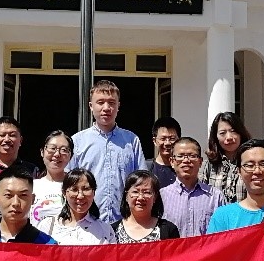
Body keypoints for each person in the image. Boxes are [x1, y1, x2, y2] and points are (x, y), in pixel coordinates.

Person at [69, 79, 145, 224]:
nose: (106, 108)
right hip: (87, 222)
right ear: (91, 106)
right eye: (100, 102)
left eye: (111, 103)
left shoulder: (131, 141)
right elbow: (69, 183)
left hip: (125, 222)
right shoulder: (77, 141)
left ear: (118, 106)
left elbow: (141, 182)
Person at [160, 136, 222, 237]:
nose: (186, 160)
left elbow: (224, 234)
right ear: (172, 161)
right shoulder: (161, 196)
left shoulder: (215, 197)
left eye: (192, 156)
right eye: (180, 156)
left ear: (200, 162)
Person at [38, 167, 115, 246]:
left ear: (94, 192)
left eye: (86, 189)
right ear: (64, 193)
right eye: (74, 189)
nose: (80, 196)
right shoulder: (48, 227)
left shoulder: (105, 230)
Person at [200, 111, 253, 204]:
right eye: (222, 133)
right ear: (215, 137)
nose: (229, 137)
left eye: (233, 131)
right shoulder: (207, 165)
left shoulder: (251, 163)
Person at [31, 130, 74, 225]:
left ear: (70, 155)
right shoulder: (31, 186)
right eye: (52, 148)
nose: (57, 154)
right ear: (42, 152)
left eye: (64, 150)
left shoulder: (76, 187)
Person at [146, 116, 182, 189]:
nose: (167, 143)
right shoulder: (146, 168)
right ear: (154, 141)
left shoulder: (185, 167)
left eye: (172, 138)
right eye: (163, 139)